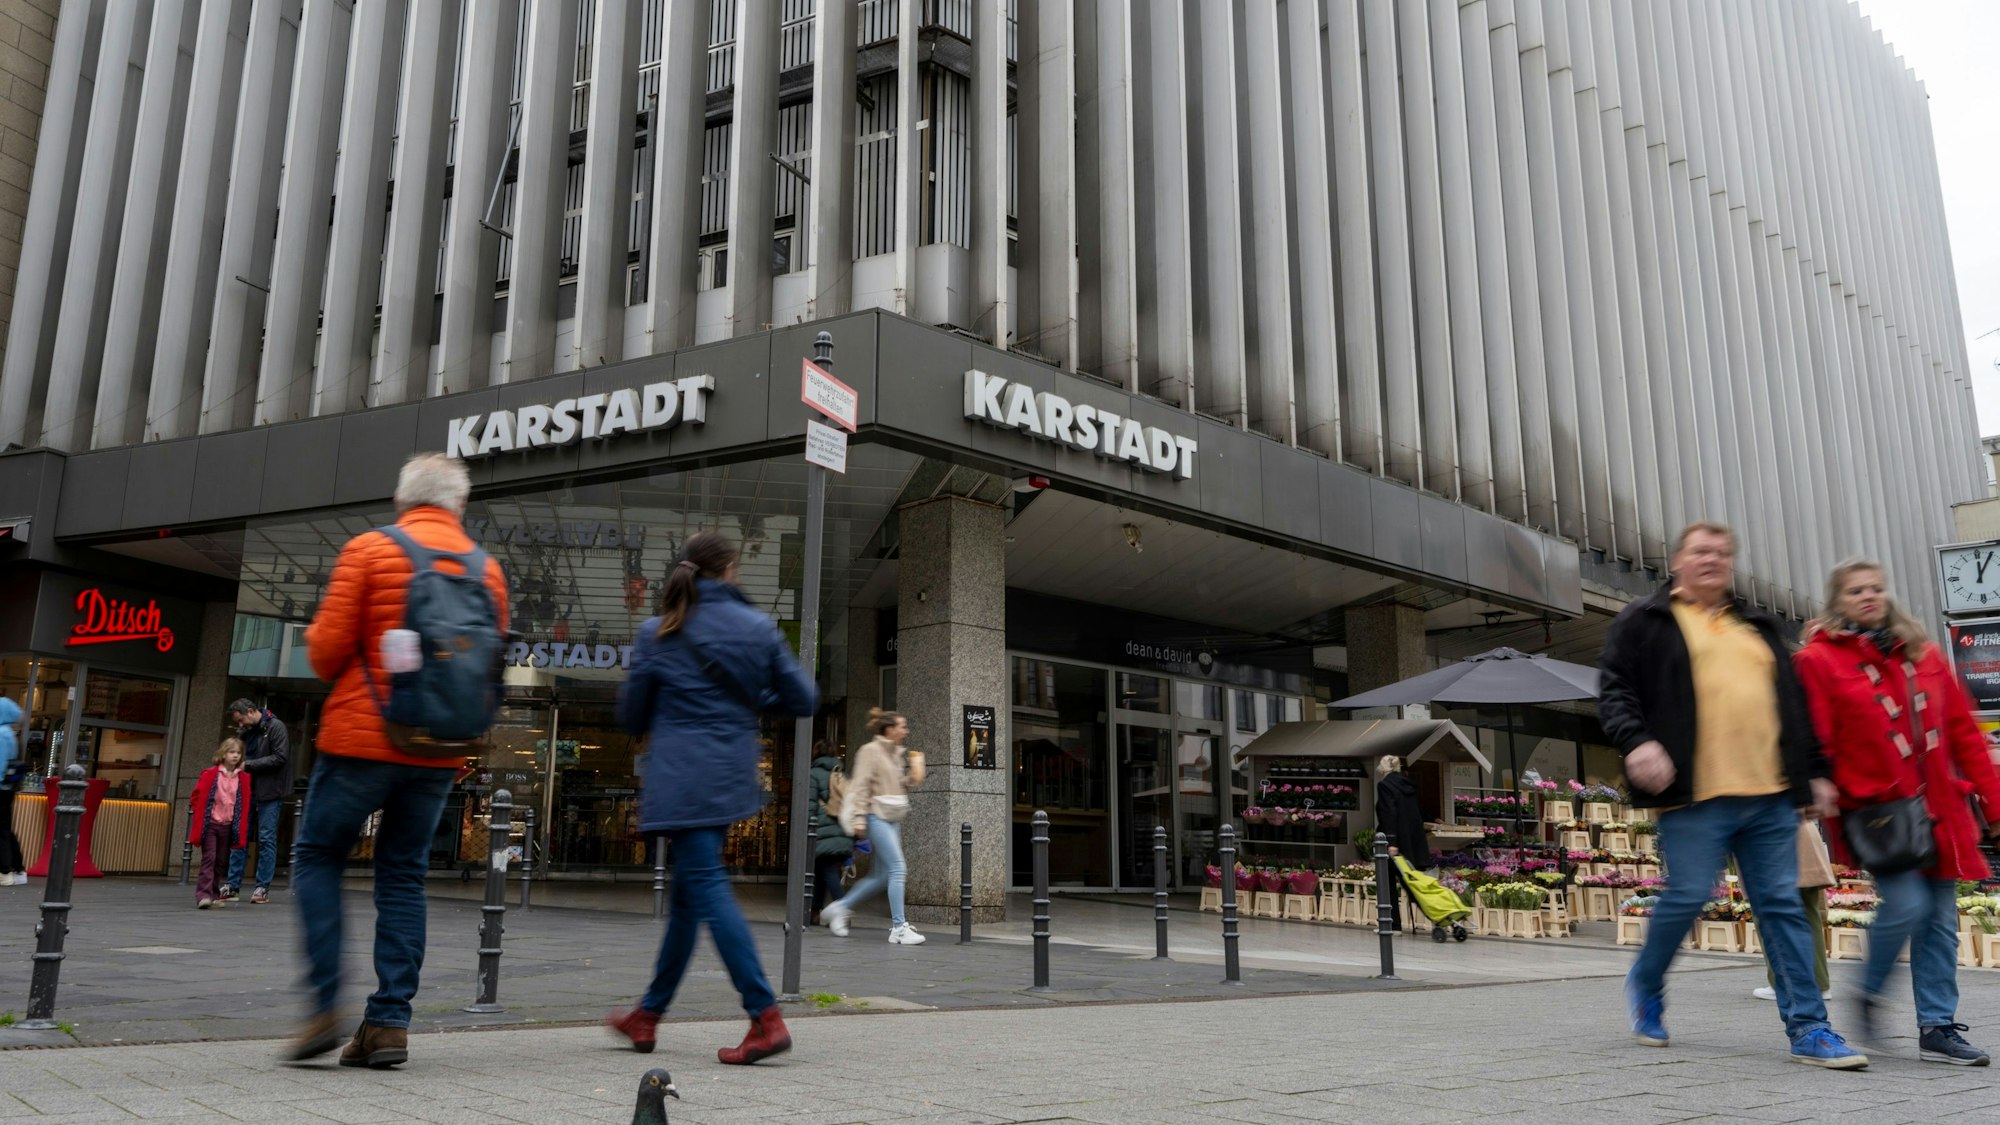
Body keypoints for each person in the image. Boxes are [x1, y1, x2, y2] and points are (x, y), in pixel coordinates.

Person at [1598, 521, 1866, 1069]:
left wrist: (1812, 771)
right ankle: (1646, 982)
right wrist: (1638, 742)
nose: (1712, 560)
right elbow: (1615, 688)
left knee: (1782, 907)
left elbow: (1793, 706)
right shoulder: (1646, 621)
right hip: (1694, 796)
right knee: (1690, 894)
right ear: (1677, 562)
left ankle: (1810, 1029)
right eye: (1701, 551)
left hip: (1768, 795)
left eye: (1723, 553)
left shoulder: (1758, 626)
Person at [292, 453, 509, 1068]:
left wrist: (320, 640)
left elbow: (326, 654)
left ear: (402, 501)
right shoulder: (487, 571)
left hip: (363, 740)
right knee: (404, 873)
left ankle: (323, 1005)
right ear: (459, 506)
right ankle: (388, 1022)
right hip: (438, 748)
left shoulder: (369, 550)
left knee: (318, 855)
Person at [607, 530, 817, 1064]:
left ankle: (764, 1015)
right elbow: (803, 697)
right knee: (688, 900)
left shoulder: (659, 631)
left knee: (705, 886)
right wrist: (751, 697)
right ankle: (647, 1015)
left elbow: (631, 716)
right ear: (729, 571)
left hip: (682, 779)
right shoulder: (757, 626)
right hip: (729, 778)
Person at [1792, 559, 2000, 1065]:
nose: (1869, 596)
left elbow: (1966, 737)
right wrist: (1819, 784)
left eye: (1876, 588)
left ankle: (1938, 1027)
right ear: (1837, 601)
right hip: (1878, 810)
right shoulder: (1817, 661)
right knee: (1908, 905)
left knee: (1940, 922)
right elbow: (1814, 736)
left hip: (1940, 808)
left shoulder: (1923, 655)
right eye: (1856, 590)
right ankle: (1866, 992)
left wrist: (1995, 803)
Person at [821, 709, 925, 945]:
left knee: (881, 876)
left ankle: (840, 908)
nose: (905, 731)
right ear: (890, 729)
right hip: (875, 815)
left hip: (892, 816)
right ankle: (899, 927)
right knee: (898, 868)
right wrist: (859, 817)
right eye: (902, 726)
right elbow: (860, 786)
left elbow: (897, 786)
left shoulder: (897, 754)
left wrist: (913, 776)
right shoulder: (869, 751)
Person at [1752, 821, 1836, 1003]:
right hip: (1806, 839)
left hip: (1772, 841)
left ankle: (1780, 984)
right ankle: (1820, 985)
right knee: (1809, 917)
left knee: (1768, 917)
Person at [222, 699, 292, 904]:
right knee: (239, 837)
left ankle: (262, 887)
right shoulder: (245, 732)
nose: (240, 724)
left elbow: (280, 757)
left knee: (266, 838)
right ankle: (233, 885)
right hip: (245, 790)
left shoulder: (275, 727)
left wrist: (248, 765)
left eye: (242, 719)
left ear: (251, 712)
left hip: (270, 791)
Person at [190, 739, 252, 909]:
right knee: (209, 858)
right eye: (232, 752)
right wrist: (200, 813)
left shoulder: (243, 778)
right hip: (210, 823)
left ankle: (214, 894)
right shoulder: (211, 774)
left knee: (220, 861)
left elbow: (243, 802)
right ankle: (203, 895)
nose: (235, 755)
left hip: (228, 824)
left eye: (238, 753)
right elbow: (196, 796)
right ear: (223, 754)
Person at [1372, 755, 1431, 931]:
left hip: (1394, 844)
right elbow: (1416, 811)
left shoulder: (1385, 785)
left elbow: (1389, 813)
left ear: (1382, 770)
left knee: (1387, 882)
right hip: (1412, 843)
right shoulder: (1408, 785)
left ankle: (1392, 924)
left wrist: (1391, 842)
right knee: (1413, 884)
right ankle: (1439, 916)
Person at [808, 741, 853, 926]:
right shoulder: (841, 774)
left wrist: (807, 828)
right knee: (822, 872)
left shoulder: (813, 774)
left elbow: (809, 805)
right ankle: (815, 912)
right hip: (841, 833)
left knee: (827, 872)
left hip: (821, 833)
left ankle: (843, 911)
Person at [0, 694, 27, 886]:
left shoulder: (2, 734)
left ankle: (5, 871)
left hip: (0, 787)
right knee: (4, 829)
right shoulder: (10, 733)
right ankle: (17, 869)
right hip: (6, 789)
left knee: (1, 831)